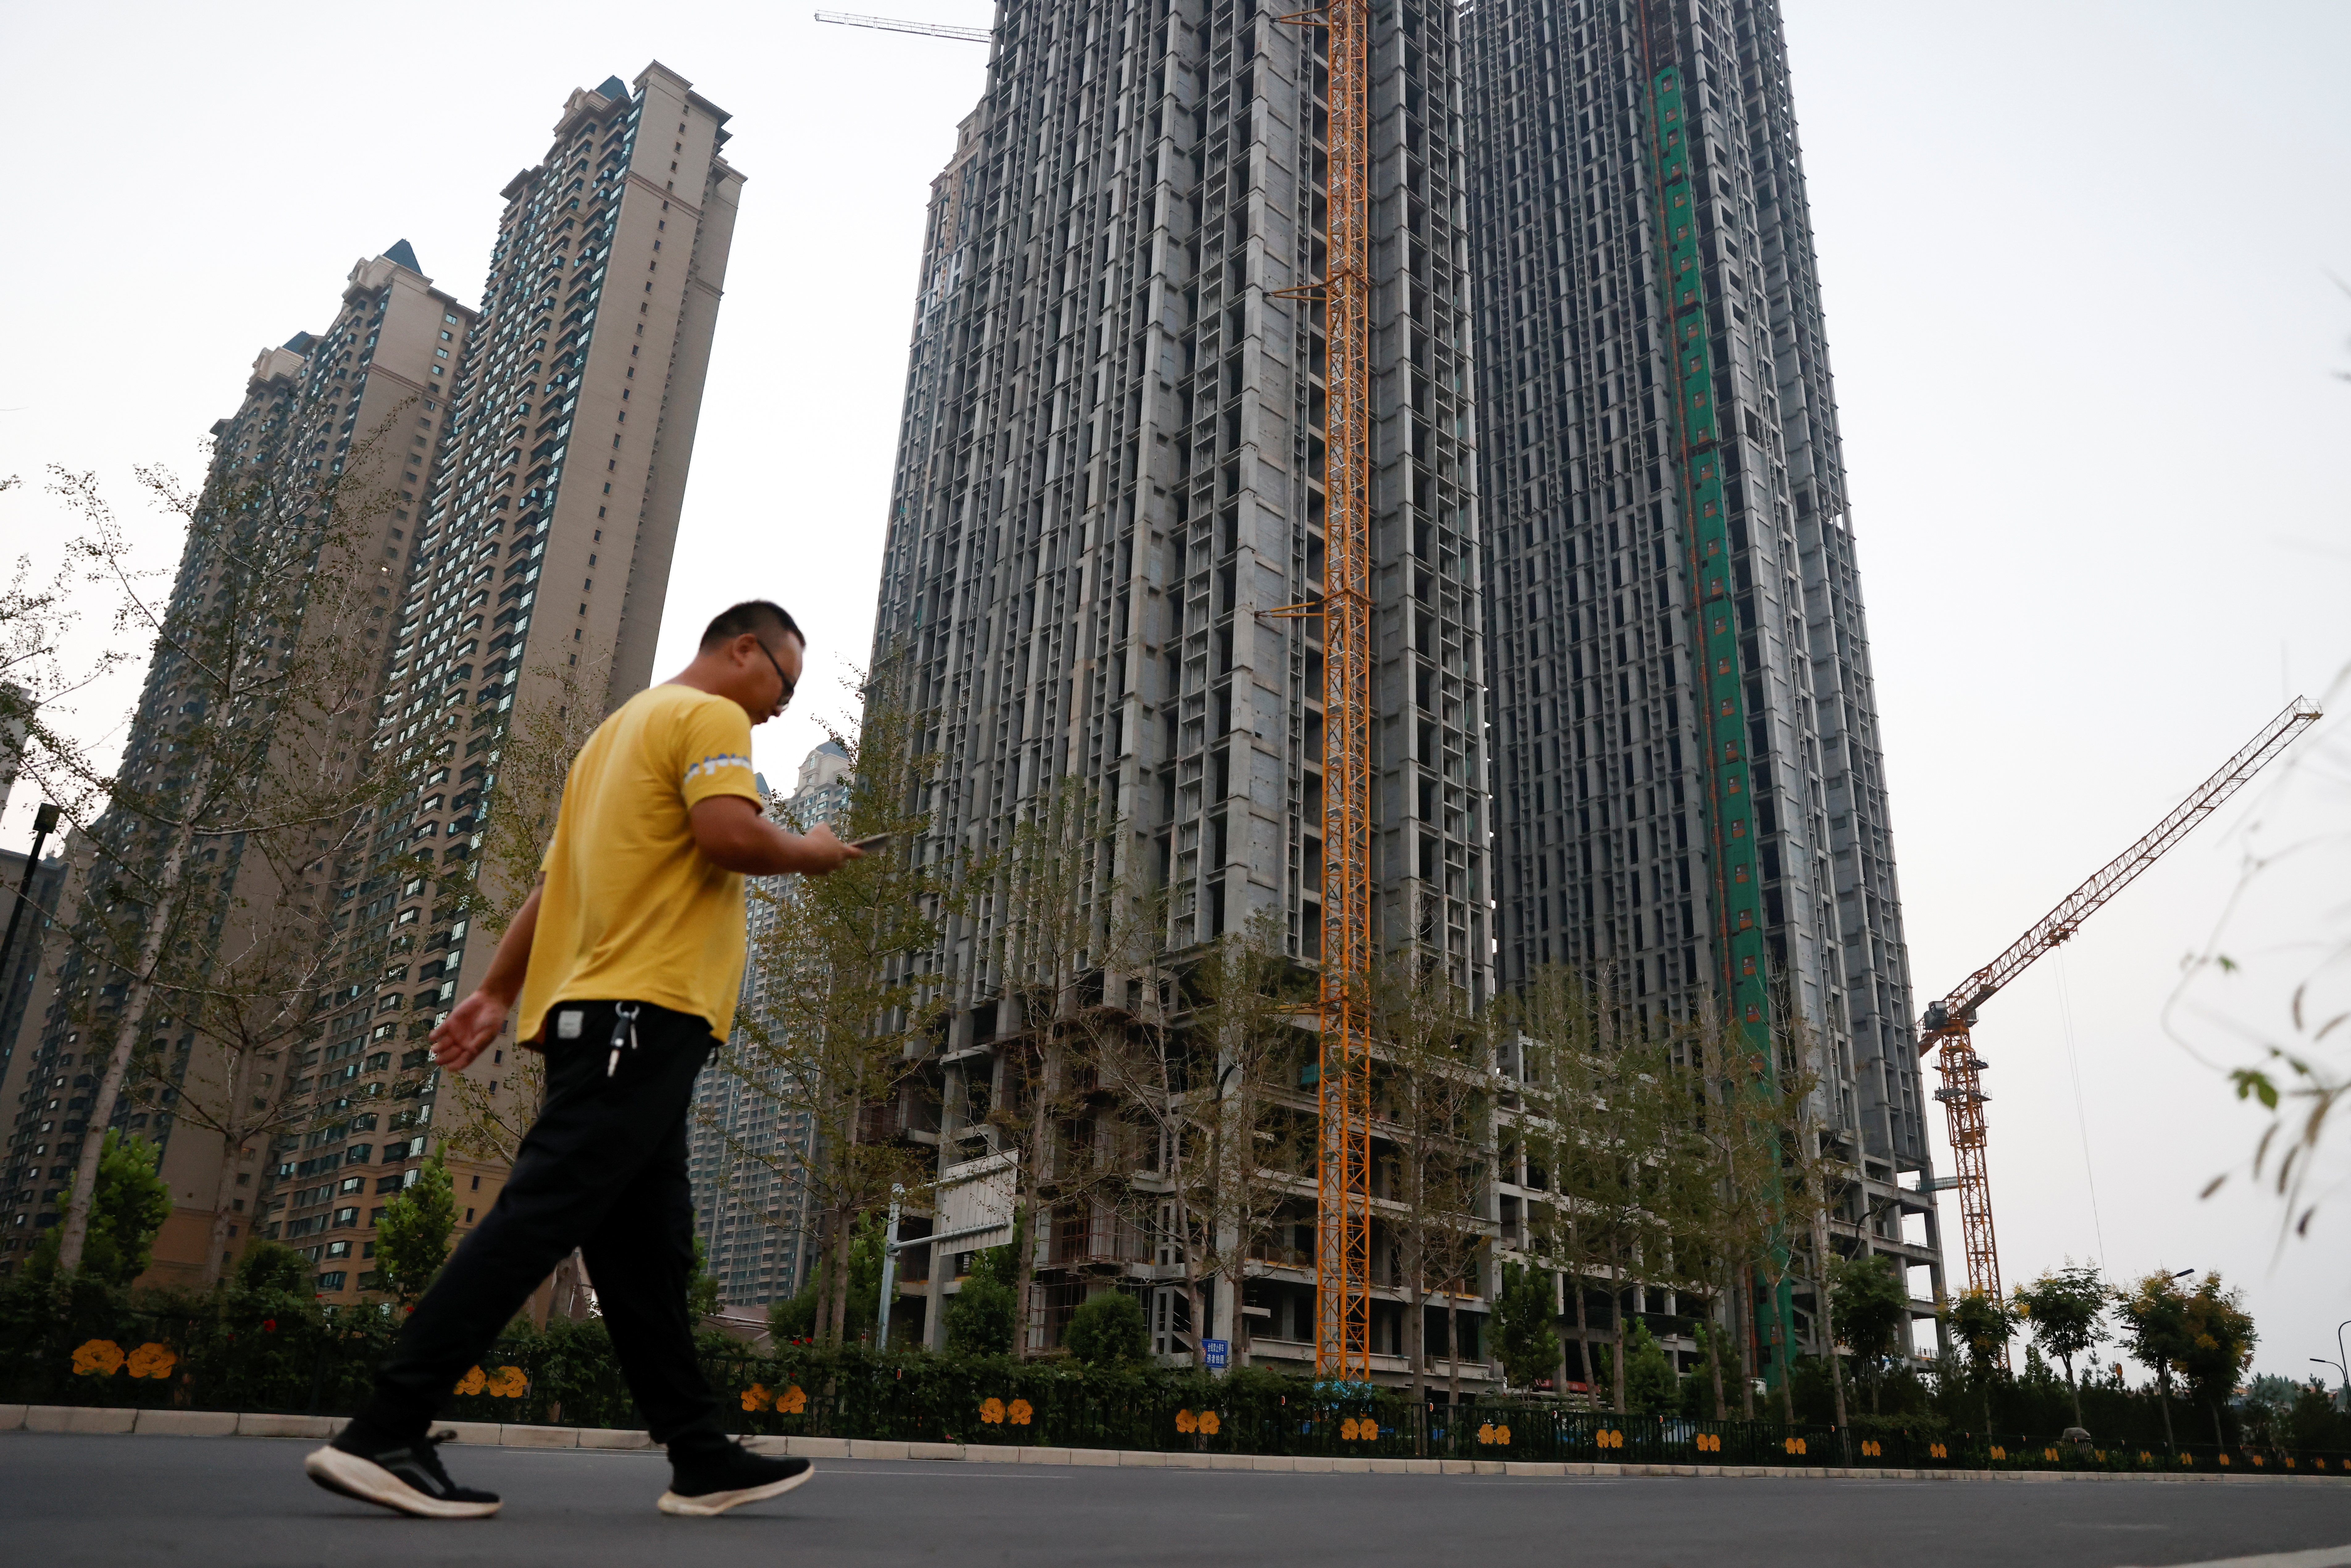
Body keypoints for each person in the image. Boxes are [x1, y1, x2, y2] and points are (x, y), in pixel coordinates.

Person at [306, 600, 860, 1519]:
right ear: (743, 650)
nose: (781, 708)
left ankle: (700, 1456)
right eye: (784, 684)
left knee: (648, 1251)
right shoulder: (708, 716)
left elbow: (554, 882)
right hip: (642, 1012)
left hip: (610, 1016)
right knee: (540, 1213)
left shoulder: (615, 738)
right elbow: (728, 834)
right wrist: (812, 852)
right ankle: (383, 1431)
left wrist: (493, 991)